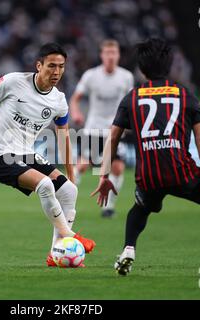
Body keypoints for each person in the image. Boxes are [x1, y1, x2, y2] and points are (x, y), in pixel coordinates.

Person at [91, 38, 200, 277]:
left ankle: (128, 248)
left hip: (149, 175)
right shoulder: (185, 95)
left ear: (142, 69)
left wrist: (104, 175)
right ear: (170, 65)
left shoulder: (132, 97)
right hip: (182, 171)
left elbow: (113, 138)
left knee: (141, 207)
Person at [0, 43, 96, 267]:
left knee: (69, 190)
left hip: (25, 154)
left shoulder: (59, 100)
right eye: (51, 66)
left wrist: (71, 174)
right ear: (38, 65)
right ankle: (70, 236)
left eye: (61, 66)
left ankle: (55, 254)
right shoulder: (13, 82)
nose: (57, 72)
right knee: (45, 186)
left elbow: (64, 137)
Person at [70, 39, 134, 218]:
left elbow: (130, 102)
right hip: (93, 128)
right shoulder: (91, 75)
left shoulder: (126, 77)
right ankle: (66, 201)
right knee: (82, 165)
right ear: (102, 55)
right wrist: (75, 113)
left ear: (118, 55)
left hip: (115, 129)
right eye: (107, 53)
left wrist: (128, 121)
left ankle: (108, 207)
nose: (111, 57)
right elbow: (75, 98)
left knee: (118, 168)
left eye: (114, 53)